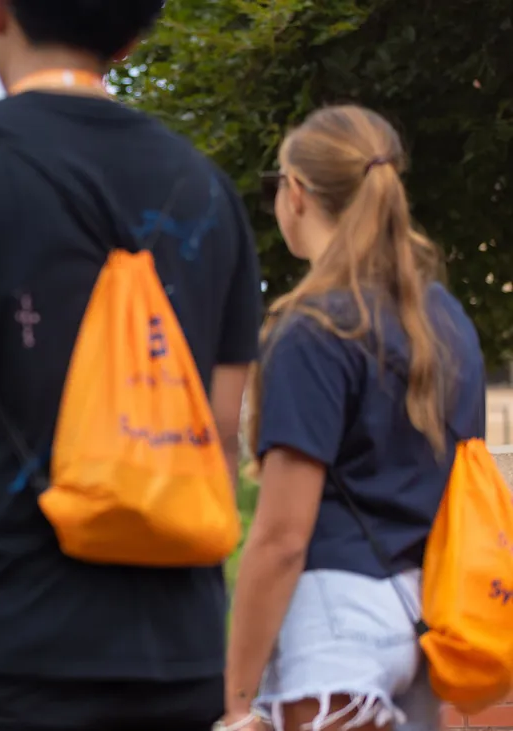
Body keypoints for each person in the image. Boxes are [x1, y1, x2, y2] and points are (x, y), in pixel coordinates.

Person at [0, 1, 263, 729]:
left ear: (0, 17)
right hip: (172, 647)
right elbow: (222, 422)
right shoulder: (209, 192)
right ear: (134, 38)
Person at [222, 105, 485, 731]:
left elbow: (282, 536)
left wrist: (235, 698)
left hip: (334, 617)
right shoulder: (445, 319)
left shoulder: (313, 327)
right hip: (429, 610)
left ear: (297, 193)